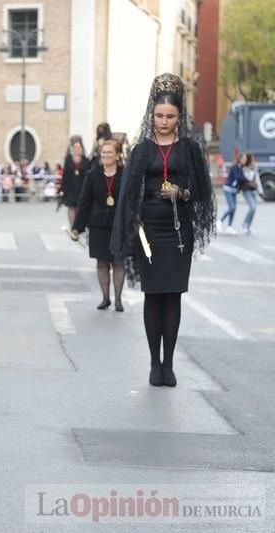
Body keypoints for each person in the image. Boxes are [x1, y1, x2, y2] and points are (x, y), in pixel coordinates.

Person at [110, 73, 215, 388]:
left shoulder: (189, 149)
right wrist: (130, 226)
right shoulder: (142, 149)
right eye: (159, 116)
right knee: (153, 296)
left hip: (179, 231)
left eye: (170, 116)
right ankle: (154, 363)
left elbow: (203, 192)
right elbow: (128, 191)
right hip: (150, 231)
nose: (164, 121)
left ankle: (169, 363)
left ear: (179, 117)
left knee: (173, 297)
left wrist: (181, 193)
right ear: (151, 115)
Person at [71, 139, 125, 311]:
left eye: (110, 152)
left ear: (117, 155)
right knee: (102, 263)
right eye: (103, 152)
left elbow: (132, 199)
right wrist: (77, 227)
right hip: (98, 224)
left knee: (118, 262)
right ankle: (105, 298)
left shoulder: (126, 175)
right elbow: (84, 201)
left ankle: (118, 299)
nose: (106, 155)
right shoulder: (92, 175)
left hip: (119, 224)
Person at [60, 138, 90, 226]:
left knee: (79, 208)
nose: (77, 149)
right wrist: (63, 188)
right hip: (70, 188)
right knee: (71, 207)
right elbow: (65, 174)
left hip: (81, 187)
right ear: (72, 148)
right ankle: (72, 226)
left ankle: (78, 225)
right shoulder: (68, 160)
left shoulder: (85, 160)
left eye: (79, 147)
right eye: (75, 147)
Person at [218, 152, 246, 235]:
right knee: (232, 207)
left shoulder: (240, 167)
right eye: (244, 158)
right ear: (240, 159)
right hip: (228, 189)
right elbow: (238, 177)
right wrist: (245, 178)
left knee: (234, 209)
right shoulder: (235, 167)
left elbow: (241, 179)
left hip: (234, 190)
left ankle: (229, 227)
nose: (245, 160)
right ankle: (220, 221)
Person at [240, 153, 262, 235]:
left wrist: (260, 190)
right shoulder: (244, 167)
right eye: (252, 159)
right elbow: (247, 178)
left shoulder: (255, 166)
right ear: (249, 159)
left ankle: (248, 226)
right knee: (252, 208)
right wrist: (251, 169)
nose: (254, 160)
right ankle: (244, 225)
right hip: (247, 190)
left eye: (254, 159)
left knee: (254, 209)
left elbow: (257, 179)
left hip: (254, 190)